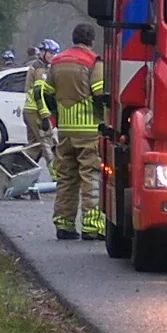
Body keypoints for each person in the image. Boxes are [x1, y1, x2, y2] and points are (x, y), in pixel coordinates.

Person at [43, 24, 106, 240]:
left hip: (65, 130)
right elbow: (99, 92)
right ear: (91, 40)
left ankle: (64, 224)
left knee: (66, 177)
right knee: (91, 177)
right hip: (89, 129)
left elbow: (48, 93)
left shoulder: (57, 61)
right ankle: (92, 226)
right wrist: (104, 118)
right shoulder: (93, 61)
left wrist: (57, 116)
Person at [23, 39, 60, 176]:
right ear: (43, 52)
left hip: (30, 110)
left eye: (55, 53)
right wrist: (45, 116)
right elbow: (39, 93)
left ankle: (19, 172)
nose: (53, 56)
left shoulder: (43, 67)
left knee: (34, 148)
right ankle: (56, 175)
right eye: (50, 53)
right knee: (46, 142)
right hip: (35, 111)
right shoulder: (40, 68)